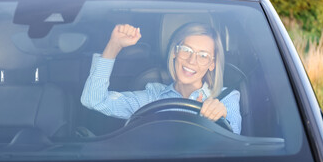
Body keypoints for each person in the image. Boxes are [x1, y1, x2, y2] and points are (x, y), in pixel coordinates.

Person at [81, 23, 241, 134]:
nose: (192, 61)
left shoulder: (225, 99)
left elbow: (236, 144)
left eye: (203, 55)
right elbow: (94, 100)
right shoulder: (153, 97)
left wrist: (221, 117)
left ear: (212, 64)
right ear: (174, 52)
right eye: (186, 50)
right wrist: (114, 45)